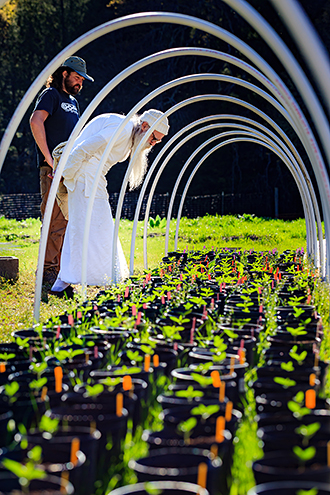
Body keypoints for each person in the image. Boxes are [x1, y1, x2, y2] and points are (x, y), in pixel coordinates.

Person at [50, 109, 170, 298]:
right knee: (96, 228)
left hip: (92, 180)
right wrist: (63, 174)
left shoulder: (129, 134)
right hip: (84, 179)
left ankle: (63, 284)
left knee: (85, 228)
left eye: (157, 141)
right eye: (153, 138)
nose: (152, 144)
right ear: (145, 127)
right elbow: (85, 148)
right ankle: (106, 280)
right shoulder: (122, 129)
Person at [30, 56, 94, 287]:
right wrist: (49, 159)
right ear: (64, 73)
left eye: (82, 80)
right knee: (54, 220)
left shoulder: (73, 102)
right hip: (52, 169)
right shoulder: (51, 95)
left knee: (66, 221)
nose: (80, 83)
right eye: (77, 77)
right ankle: (47, 271)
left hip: (70, 170)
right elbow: (35, 121)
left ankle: (58, 270)